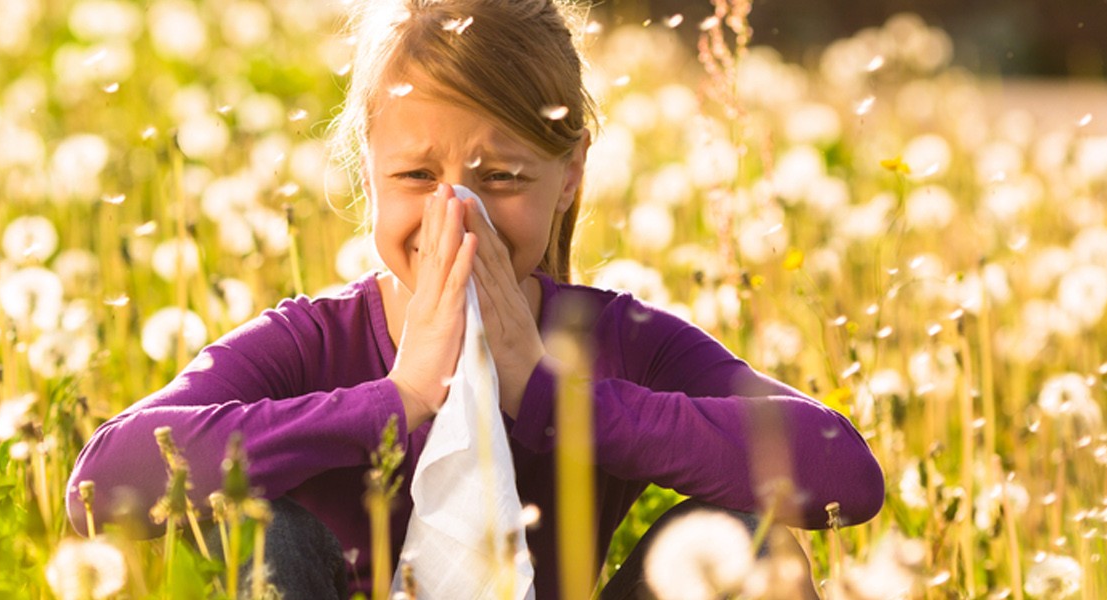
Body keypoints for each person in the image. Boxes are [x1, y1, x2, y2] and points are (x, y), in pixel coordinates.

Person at [66, 0, 885, 597]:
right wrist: (396, 401)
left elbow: (842, 471)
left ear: (569, 178)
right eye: (418, 176)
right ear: (367, 169)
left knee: (755, 545)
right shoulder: (311, 343)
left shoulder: (616, 338)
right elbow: (101, 487)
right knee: (263, 531)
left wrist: (551, 396)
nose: (458, 215)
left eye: (502, 178)